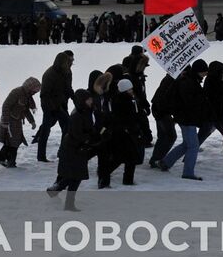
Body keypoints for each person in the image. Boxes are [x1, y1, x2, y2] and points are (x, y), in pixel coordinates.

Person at [48, 79, 97, 209]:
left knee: (75, 177)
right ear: (82, 101)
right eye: (88, 99)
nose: (91, 101)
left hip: (78, 149)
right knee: (74, 177)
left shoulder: (86, 112)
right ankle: (66, 201)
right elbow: (77, 134)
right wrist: (90, 138)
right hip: (72, 150)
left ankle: (59, 193)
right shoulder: (77, 115)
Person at [158, 59, 209, 180]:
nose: (205, 74)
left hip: (185, 118)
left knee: (187, 144)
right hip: (186, 118)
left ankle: (165, 162)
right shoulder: (187, 82)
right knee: (193, 146)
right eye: (203, 72)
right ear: (197, 71)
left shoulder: (191, 79)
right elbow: (189, 102)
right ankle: (188, 172)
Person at [97, 76, 144, 188]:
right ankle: (111, 176)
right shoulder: (125, 102)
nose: (132, 91)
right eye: (130, 89)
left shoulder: (123, 99)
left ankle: (114, 177)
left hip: (124, 132)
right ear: (125, 90)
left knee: (126, 158)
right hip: (124, 133)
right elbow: (129, 118)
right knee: (124, 158)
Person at [35, 50, 74, 162]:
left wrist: (74, 98)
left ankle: (62, 152)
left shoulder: (66, 72)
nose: (70, 64)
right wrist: (52, 108)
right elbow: (44, 95)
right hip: (49, 106)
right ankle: (41, 156)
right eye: (68, 62)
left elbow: (67, 88)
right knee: (46, 130)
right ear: (61, 62)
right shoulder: (50, 74)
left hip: (60, 104)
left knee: (66, 126)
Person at [0, 77, 39, 167]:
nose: (34, 93)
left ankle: (7, 160)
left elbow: (25, 110)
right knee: (11, 142)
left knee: (14, 142)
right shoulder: (16, 92)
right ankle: (6, 160)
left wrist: (32, 121)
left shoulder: (27, 96)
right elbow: (6, 106)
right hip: (9, 120)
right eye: (34, 91)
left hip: (16, 121)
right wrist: (5, 121)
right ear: (29, 88)